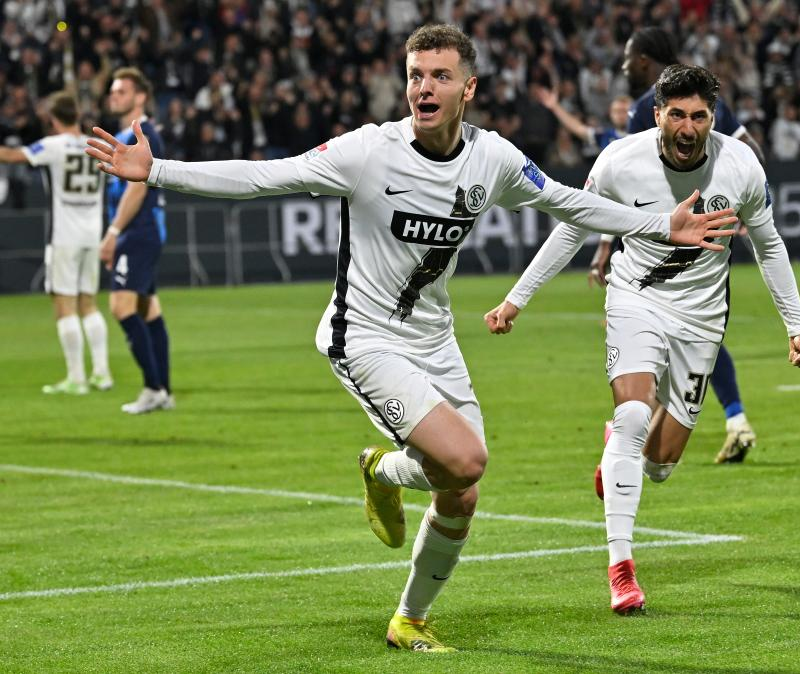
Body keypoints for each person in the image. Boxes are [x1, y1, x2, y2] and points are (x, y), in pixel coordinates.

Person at [85, 25, 736, 652]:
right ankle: (382, 470)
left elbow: (569, 202)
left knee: (462, 491)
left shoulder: (492, 158)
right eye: (415, 75)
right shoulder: (368, 151)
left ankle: (409, 618)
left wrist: (659, 225)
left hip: (434, 338)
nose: (424, 87)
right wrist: (156, 170)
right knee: (467, 461)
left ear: (468, 88)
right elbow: (264, 177)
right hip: (364, 336)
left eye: (440, 76)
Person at [485, 64, 800, 615]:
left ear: (713, 118)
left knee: (660, 464)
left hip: (702, 319)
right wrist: (516, 298)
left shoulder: (740, 166)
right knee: (635, 415)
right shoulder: (619, 162)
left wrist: (797, 326)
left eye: (700, 117)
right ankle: (621, 569)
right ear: (657, 113)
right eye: (677, 115)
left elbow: (769, 245)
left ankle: (618, 448)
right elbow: (573, 226)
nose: (688, 129)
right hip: (635, 299)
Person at [590, 26, 766, 464]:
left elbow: (624, 194)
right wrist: (750, 203)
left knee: (681, 338)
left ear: (644, 60)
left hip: (666, 250)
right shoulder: (708, 100)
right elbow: (751, 148)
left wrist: (605, 247)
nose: (625, 67)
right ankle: (732, 419)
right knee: (697, 335)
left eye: (629, 59)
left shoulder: (645, 110)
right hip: (703, 244)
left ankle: (628, 436)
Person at [0, 91, 113, 395]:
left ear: (52, 118)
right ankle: (102, 374)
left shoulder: (53, 145)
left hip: (64, 236)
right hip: (93, 233)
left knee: (64, 306)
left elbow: (12, 155)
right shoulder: (95, 145)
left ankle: (76, 378)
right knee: (89, 303)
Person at [101, 67, 174, 414]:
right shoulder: (126, 134)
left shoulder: (142, 135)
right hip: (142, 231)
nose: (114, 96)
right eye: (113, 91)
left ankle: (153, 388)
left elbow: (136, 190)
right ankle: (164, 392)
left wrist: (113, 233)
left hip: (138, 232)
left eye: (122, 91)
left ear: (140, 96)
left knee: (121, 307)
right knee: (148, 309)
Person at [532, 86, 632, 155]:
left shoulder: (640, 136)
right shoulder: (605, 136)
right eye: (616, 111)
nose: (620, 115)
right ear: (610, 114)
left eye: (624, 111)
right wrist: (555, 107)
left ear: (633, 113)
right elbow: (578, 128)